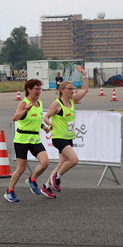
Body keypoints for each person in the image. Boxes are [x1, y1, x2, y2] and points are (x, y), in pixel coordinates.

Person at [42, 65, 89, 195]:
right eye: (69, 89)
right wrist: (49, 123)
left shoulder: (73, 100)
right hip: (59, 138)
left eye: (73, 89)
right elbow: (46, 117)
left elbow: (85, 90)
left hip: (69, 138)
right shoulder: (57, 104)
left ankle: (46, 186)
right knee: (74, 160)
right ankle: (56, 177)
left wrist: (85, 75)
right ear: (62, 90)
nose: (72, 91)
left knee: (61, 165)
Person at [5, 79, 52, 202]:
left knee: (45, 162)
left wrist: (45, 128)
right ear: (29, 90)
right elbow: (15, 118)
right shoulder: (24, 103)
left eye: (40, 89)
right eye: (36, 89)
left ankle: (32, 180)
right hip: (22, 140)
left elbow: (37, 119)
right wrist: (25, 110)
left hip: (34, 139)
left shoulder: (40, 103)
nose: (39, 91)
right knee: (21, 169)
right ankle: (9, 191)